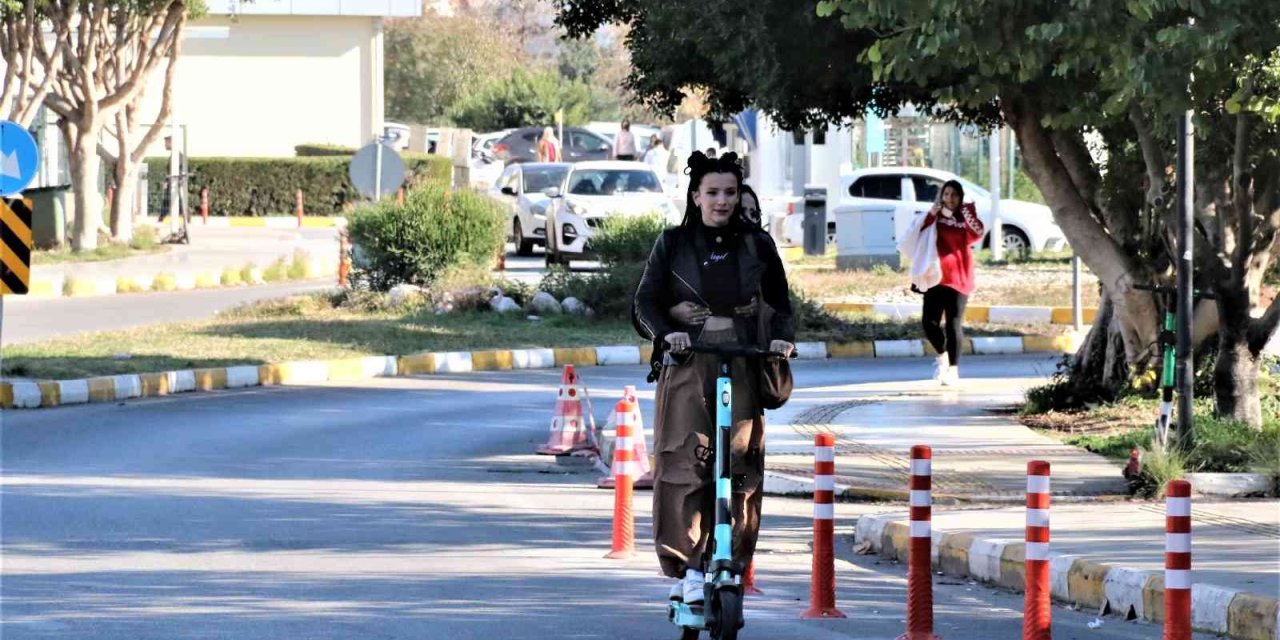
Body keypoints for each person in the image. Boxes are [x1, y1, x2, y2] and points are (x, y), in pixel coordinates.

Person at [632, 151, 795, 605]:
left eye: (729, 192)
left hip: (743, 361)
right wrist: (669, 334)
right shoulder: (673, 243)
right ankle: (686, 569)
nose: (721, 201)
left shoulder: (758, 244)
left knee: (741, 465)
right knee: (685, 462)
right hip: (689, 365)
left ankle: (731, 559)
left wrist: (781, 342)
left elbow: (781, 307)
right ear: (696, 196)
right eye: (712, 193)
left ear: (739, 194)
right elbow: (643, 305)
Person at [916, 179, 984, 385]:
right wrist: (932, 214)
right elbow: (918, 231)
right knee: (929, 323)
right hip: (935, 276)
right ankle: (942, 356)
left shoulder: (965, 218)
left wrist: (968, 210)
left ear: (960, 197)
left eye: (954, 195)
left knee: (953, 324)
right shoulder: (935, 216)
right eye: (946, 194)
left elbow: (978, 232)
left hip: (959, 277)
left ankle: (953, 369)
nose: (950, 198)